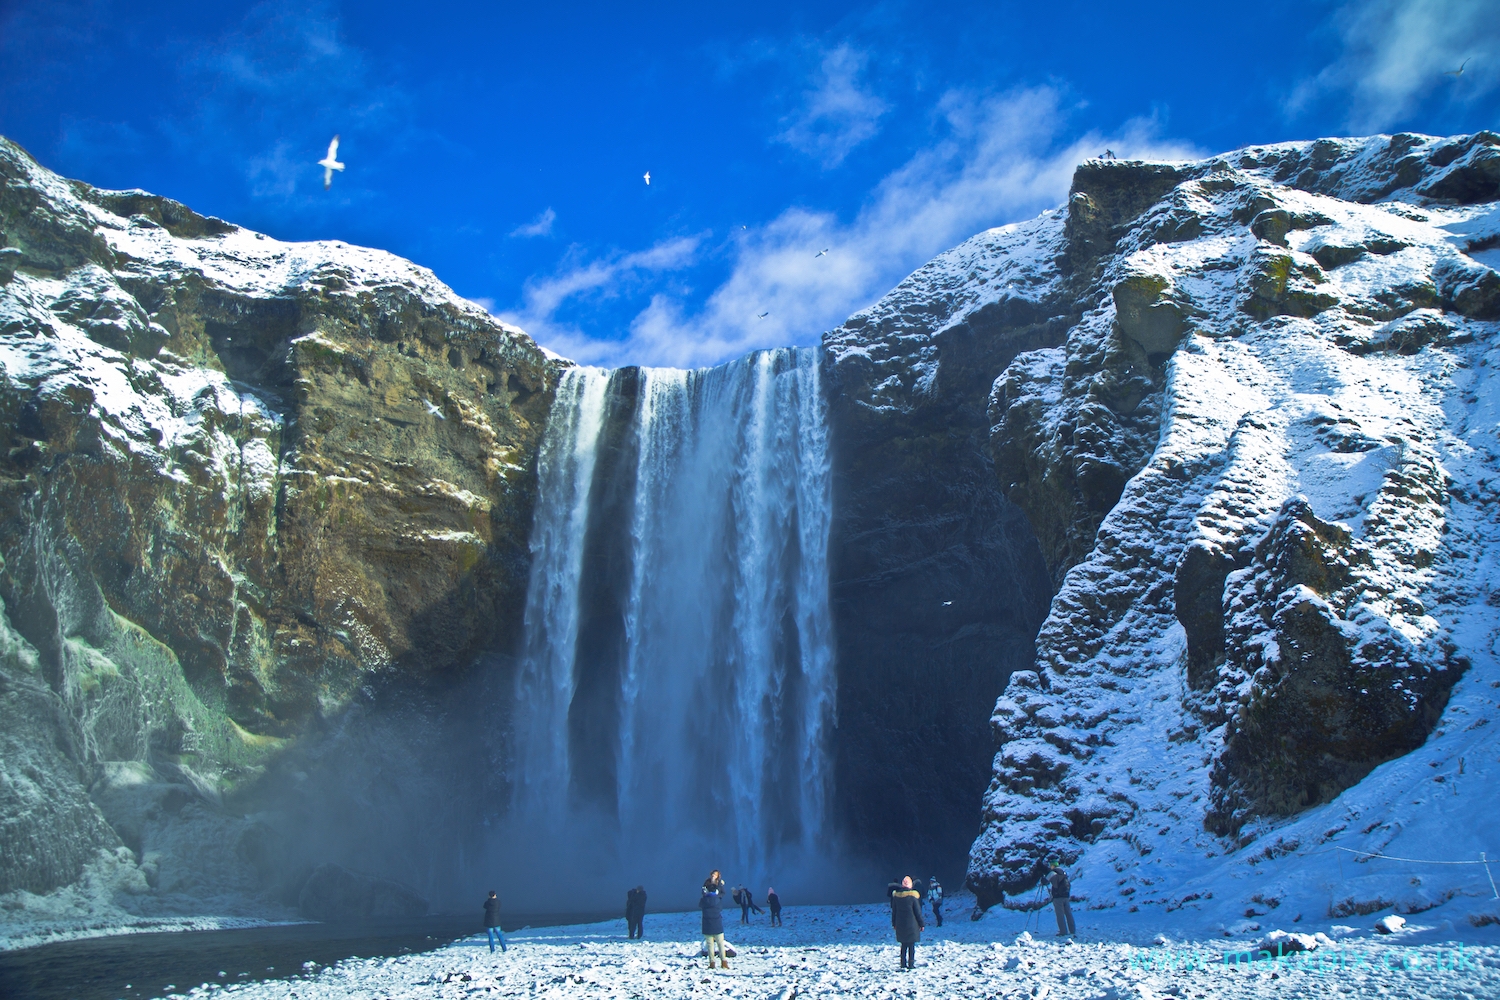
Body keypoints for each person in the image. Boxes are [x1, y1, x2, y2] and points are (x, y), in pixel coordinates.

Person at [890, 875, 924, 970]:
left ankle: (903, 963)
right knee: (911, 945)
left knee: (903, 944)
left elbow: (894, 912)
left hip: (900, 924)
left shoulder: (896, 897)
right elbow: (917, 912)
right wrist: (921, 924)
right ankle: (911, 964)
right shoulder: (913, 897)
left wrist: (894, 924)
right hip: (912, 924)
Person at [700, 873, 729, 970]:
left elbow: (700, 904)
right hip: (717, 924)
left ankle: (712, 962)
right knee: (721, 944)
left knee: (710, 945)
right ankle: (724, 962)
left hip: (707, 925)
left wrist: (704, 894)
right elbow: (720, 908)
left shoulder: (704, 900)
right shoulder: (718, 900)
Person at [1048, 859, 1075, 937]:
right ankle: (1072, 930)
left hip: (1057, 897)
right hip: (1066, 896)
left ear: (1053, 866)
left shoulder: (1052, 873)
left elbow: (1045, 881)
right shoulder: (1064, 873)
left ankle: (1063, 931)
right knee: (1068, 913)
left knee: (1060, 915)